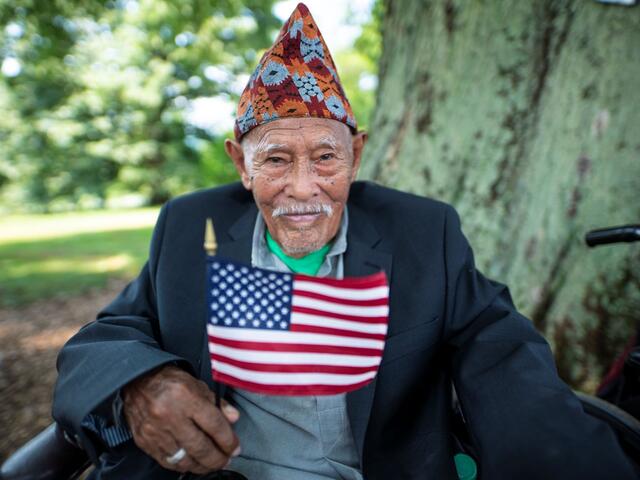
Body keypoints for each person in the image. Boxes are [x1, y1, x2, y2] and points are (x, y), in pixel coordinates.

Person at [52, 3, 636, 479]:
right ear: (241, 164)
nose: (303, 189)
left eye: (326, 157)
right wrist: (142, 382)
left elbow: (505, 359)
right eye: (276, 159)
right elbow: (105, 336)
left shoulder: (421, 232)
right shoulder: (189, 226)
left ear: (355, 154)